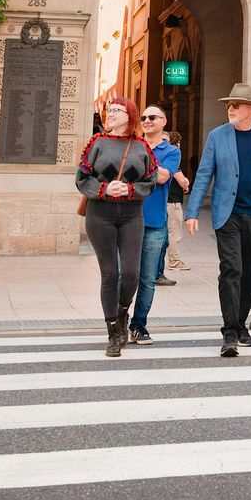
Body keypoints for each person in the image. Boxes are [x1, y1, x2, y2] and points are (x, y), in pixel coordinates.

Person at [185, 83, 251, 357]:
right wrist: (192, 211)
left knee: (248, 274)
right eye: (229, 105)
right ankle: (229, 331)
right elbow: (204, 174)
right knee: (231, 269)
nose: (231, 108)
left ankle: (242, 324)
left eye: (237, 104)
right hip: (227, 213)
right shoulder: (217, 136)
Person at [76, 96, 158, 356]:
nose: (110, 114)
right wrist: (103, 188)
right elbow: (82, 177)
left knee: (132, 272)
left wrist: (131, 189)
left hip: (132, 215)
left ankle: (123, 312)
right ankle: (113, 331)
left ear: (129, 115)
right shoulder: (96, 142)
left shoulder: (142, 146)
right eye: (109, 110)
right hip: (100, 215)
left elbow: (151, 179)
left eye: (116, 110)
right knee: (110, 274)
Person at [129, 105, 180, 343]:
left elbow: (162, 177)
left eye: (152, 117)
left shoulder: (171, 151)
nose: (147, 120)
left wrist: (137, 162)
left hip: (154, 222)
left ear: (164, 121)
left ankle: (138, 324)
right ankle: (119, 321)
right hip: (126, 220)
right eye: (143, 117)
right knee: (124, 275)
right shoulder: (131, 144)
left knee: (147, 278)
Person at [163, 132, 190, 274]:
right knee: (174, 232)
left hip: (165, 201)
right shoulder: (173, 158)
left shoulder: (162, 158)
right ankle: (174, 260)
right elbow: (182, 181)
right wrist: (186, 184)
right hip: (172, 202)